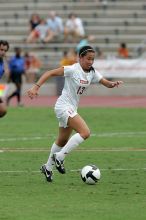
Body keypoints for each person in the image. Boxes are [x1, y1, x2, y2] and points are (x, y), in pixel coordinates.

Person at [27, 45, 123, 182]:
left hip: (72, 108)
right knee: (85, 132)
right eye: (88, 58)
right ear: (80, 58)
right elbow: (49, 73)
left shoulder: (92, 72)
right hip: (63, 106)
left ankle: (47, 167)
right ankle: (59, 157)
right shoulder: (72, 69)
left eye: (93, 59)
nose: (90, 62)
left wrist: (112, 84)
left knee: (62, 140)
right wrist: (35, 87)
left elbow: (105, 82)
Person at [0, 40, 9, 117]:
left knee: (2, 110)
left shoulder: (2, 62)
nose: (3, 52)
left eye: (5, 50)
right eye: (1, 49)